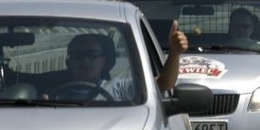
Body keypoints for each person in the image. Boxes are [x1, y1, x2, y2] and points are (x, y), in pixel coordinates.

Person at [51, 20, 187, 101]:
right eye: (78, 57)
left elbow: (164, 83)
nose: (85, 61)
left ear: (105, 61)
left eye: (92, 56)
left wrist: (174, 53)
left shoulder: (118, 89)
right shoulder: (51, 94)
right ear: (68, 62)